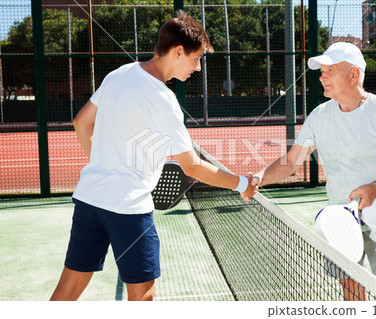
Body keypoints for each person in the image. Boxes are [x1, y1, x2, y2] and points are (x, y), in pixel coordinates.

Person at [50, 11, 257, 301]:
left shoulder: (119, 73)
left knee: (68, 288)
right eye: (196, 59)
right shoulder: (163, 99)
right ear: (178, 51)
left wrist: (106, 164)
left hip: (89, 199)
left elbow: (81, 123)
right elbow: (191, 166)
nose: (197, 68)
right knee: (143, 296)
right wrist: (241, 184)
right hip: (129, 209)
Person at [252, 42, 376, 300]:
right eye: (321, 71)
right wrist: (259, 177)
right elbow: (293, 161)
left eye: (330, 70)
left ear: (353, 74)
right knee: (351, 291)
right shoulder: (319, 116)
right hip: (341, 221)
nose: (322, 77)